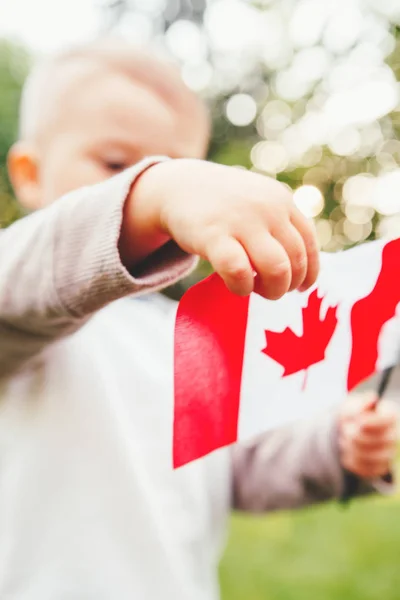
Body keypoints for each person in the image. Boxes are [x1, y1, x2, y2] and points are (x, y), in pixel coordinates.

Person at [1, 39, 397, 599]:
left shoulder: (183, 335)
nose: (147, 189)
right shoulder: (21, 296)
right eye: (118, 164)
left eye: (175, 166)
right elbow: (37, 269)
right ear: (30, 174)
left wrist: (334, 449)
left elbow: (235, 466)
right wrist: (155, 192)